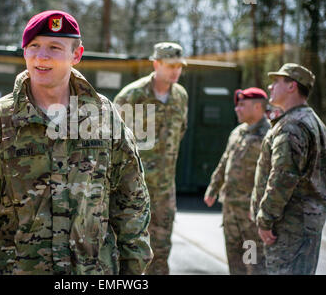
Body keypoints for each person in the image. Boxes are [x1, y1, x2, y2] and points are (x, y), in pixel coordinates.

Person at [0, 10, 153, 275]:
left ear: (76, 56)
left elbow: (132, 202)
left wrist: (132, 273)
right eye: (34, 46)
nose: (42, 56)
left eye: (55, 48)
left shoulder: (104, 116)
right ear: (24, 52)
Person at [114, 42, 188, 275]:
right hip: (133, 189)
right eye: (170, 65)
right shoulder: (132, 95)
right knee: (127, 248)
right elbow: (112, 139)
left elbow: (180, 132)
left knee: (162, 249)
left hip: (165, 189)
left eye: (179, 66)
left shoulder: (180, 96)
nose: (176, 70)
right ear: (156, 64)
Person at [251, 63, 326, 275]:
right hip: (305, 223)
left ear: (292, 86)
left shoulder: (292, 125)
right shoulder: (314, 122)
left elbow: (283, 177)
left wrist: (266, 219)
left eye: (277, 81)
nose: (270, 86)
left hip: (289, 226)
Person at [204, 87, 270, 275]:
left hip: (250, 216)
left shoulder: (269, 135)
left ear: (258, 107)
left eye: (242, 105)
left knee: (253, 264)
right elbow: (225, 162)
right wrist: (212, 189)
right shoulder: (237, 132)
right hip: (230, 211)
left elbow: (273, 176)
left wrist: (263, 210)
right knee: (234, 262)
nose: (237, 109)